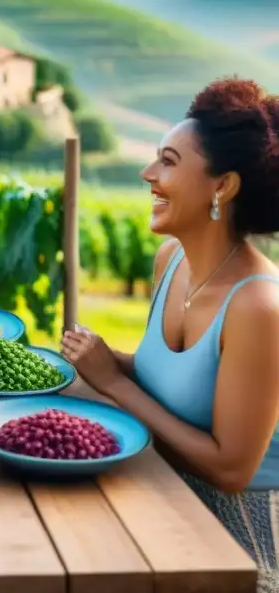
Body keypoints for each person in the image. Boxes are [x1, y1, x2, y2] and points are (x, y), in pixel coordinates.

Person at [61, 77, 279, 592]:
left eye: (169, 162)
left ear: (222, 186)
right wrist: (107, 358)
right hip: (153, 501)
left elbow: (230, 470)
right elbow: (175, 383)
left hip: (229, 546)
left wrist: (114, 383)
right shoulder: (173, 259)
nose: (148, 174)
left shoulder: (258, 306)